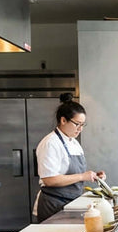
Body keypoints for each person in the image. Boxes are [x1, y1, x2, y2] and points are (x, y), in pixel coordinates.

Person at [32, 93, 106, 222]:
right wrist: (82, 176)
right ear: (63, 120)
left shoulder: (73, 142)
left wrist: (92, 176)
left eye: (83, 125)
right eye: (77, 124)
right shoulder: (51, 143)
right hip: (54, 205)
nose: (80, 129)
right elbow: (49, 180)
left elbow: (72, 174)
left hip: (71, 203)